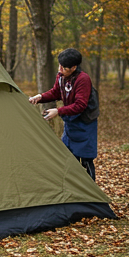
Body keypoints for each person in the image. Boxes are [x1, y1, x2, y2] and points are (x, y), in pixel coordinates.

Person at [29, 48, 98, 180]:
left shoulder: (83, 79)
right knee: (67, 157)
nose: (60, 69)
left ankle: (92, 193)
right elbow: (56, 92)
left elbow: (80, 105)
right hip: (70, 122)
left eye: (64, 67)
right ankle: (72, 190)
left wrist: (58, 111)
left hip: (85, 123)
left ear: (73, 67)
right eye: (59, 65)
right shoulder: (61, 76)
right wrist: (40, 97)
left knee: (86, 160)